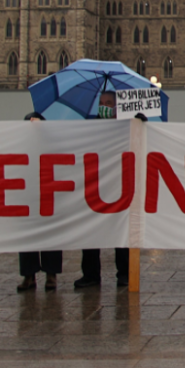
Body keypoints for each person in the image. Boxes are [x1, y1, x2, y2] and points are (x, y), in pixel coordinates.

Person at [75, 91, 139, 289]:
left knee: (120, 232)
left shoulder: (127, 124)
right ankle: (91, 274)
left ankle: (124, 273)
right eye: (102, 103)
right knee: (91, 232)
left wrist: (139, 125)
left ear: (117, 106)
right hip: (94, 184)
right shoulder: (90, 125)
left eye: (109, 103)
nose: (104, 106)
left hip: (118, 184)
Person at [17, 112, 62, 292]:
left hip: (49, 196)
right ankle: (29, 275)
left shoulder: (53, 143)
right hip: (27, 197)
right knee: (28, 239)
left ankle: (51, 275)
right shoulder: (19, 144)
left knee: (51, 237)